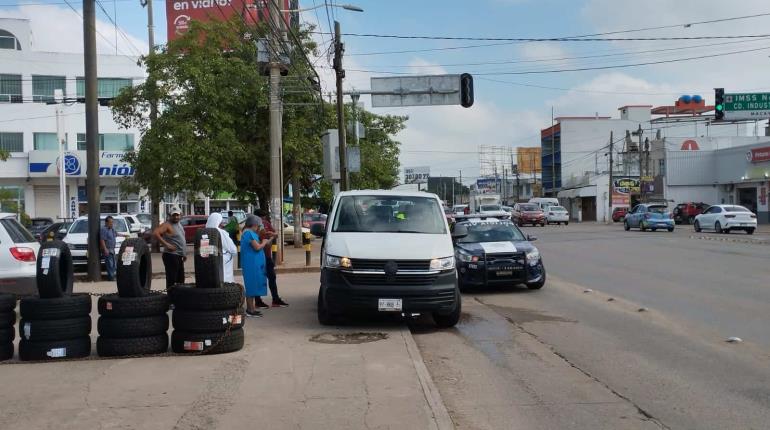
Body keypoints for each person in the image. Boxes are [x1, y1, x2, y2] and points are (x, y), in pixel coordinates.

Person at [240, 215, 273, 317]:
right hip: (251, 264)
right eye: (258, 226)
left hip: (254, 263)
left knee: (253, 286)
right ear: (254, 225)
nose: (259, 228)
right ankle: (250, 310)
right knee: (251, 286)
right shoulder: (248, 233)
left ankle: (252, 308)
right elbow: (257, 247)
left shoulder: (251, 233)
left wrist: (269, 238)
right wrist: (263, 242)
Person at [256, 208, 289, 307]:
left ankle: (275, 299)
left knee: (272, 277)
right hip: (257, 256)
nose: (262, 220)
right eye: (260, 218)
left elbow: (276, 234)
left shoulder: (266, 223)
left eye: (263, 217)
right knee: (259, 278)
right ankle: (258, 300)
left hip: (267, 255)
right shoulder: (252, 226)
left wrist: (272, 236)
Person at [154, 207, 187, 288]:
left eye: (177, 215)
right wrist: (166, 244)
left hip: (179, 256)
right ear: (170, 215)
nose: (176, 217)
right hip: (171, 255)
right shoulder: (167, 225)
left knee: (181, 279)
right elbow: (155, 233)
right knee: (172, 280)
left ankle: (178, 298)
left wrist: (184, 254)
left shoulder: (179, 224)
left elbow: (181, 239)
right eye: (173, 215)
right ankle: (171, 297)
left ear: (180, 215)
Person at [205, 212, 237, 283]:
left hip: (207, 261)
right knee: (224, 279)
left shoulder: (204, 232)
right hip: (222, 259)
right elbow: (233, 249)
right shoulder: (221, 232)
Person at [99, 216, 117, 281]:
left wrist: (125, 235)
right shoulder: (104, 229)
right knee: (110, 264)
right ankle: (111, 277)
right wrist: (105, 249)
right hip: (107, 249)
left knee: (114, 264)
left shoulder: (112, 229)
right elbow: (102, 240)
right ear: (106, 222)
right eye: (110, 222)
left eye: (112, 222)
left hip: (112, 249)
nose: (112, 223)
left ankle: (113, 276)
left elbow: (116, 234)